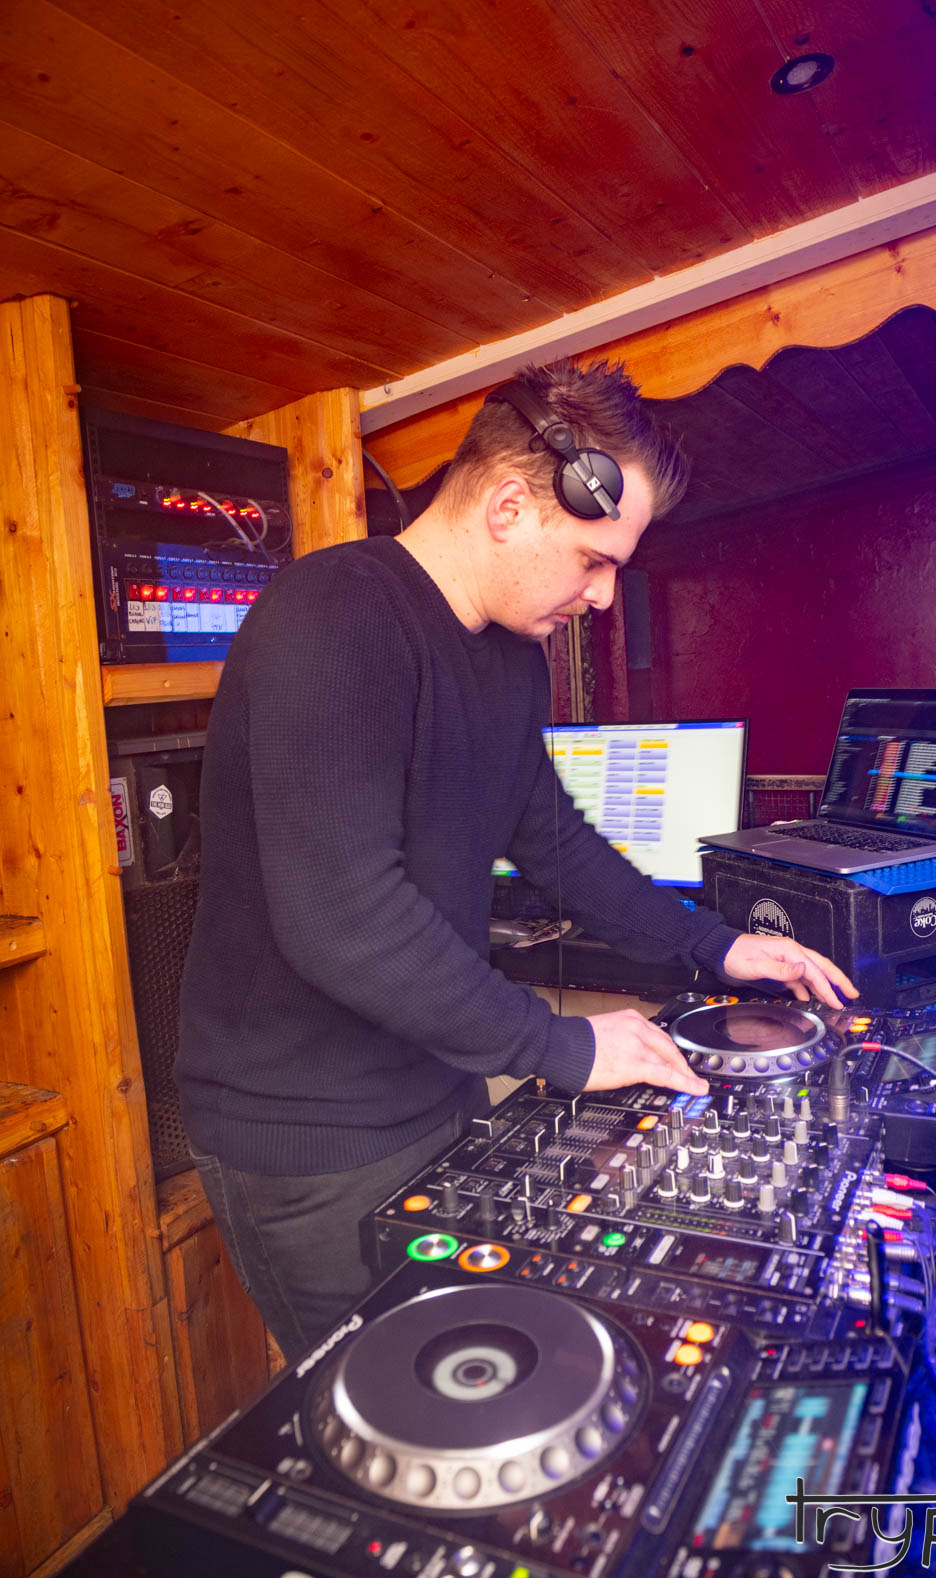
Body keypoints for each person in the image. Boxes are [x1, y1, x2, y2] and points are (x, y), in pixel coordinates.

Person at [174, 357, 857, 1360]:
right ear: (507, 507)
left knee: (485, 1373)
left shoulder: (506, 657)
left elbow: (551, 841)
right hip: (310, 1133)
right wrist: (561, 1045)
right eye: (591, 559)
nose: (603, 594)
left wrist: (714, 947)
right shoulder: (334, 614)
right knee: (394, 1410)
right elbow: (342, 918)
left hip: (438, 1085)